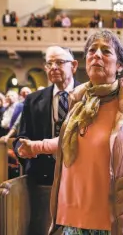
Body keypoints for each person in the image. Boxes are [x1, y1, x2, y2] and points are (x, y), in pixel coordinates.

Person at [17, 29, 123, 235]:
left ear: (119, 65)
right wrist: (36, 147)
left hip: (109, 221)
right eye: (91, 51)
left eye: (105, 51)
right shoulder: (78, 100)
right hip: (73, 216)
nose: (96, 55)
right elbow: (69, 140)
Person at [13, 46, 81, 186]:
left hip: (80, 175)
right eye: (49, 64)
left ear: (73, 66)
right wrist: (23, 150)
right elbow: (22, 136)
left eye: (59, 62)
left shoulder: (88, 96)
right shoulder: (33, 100)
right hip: (42, 177)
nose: (53, 67)